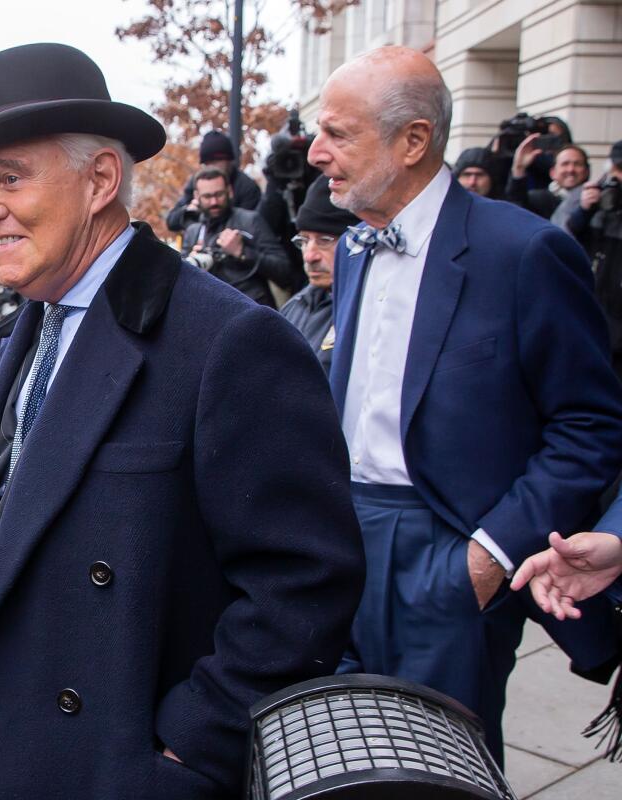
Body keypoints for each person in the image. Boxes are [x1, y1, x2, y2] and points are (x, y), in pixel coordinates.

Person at [0, 42, 365, 799]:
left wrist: (186, 752)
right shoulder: (29, 331)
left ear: (101, 180)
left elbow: (305, 584)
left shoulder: (228, 343)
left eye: (11, 178)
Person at [310, 45, 622, 764]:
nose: (318, 151)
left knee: (438, 769)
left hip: (448, 547)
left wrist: (487, 556)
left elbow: (589, 425)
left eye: (338, 133)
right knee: (342, 757)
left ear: (413, 140)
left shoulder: (526, 252)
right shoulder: (355, 248)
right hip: (342, 539)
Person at [279, 174, 361, 375]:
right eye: (304, 241)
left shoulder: (365, 311)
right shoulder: (294, 307)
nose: (309, 256)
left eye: (325, 240)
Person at [179, 166, 295, 307]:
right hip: (212, 313)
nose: (214, 202)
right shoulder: (194, 232)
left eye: (219, 194)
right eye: (207, 196)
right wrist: (192, 267)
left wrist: (242, 253)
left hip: (253, 310)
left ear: (230, 191)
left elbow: (285, 273)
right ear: (197, 197)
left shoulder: (250, 221)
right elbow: (181, 285)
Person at [566, 140, 622, 375]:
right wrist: (585, 208)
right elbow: (573, 236)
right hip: (602, 322)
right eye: (616, 171)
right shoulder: (603, 202)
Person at [165, 129, 261, 232]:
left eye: (217, 161)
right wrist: (188, 212)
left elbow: (250, 226)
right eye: (207, 163)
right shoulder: (198, 182)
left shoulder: (247, 187)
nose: (212, 167)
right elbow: (171, 221)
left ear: (228, 160)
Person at [505, 138, 590, 225]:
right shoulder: (538, 199)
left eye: (577, 164)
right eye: (565, 164)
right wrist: (519, 168)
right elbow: (516, 207)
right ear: (553, 173)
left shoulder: (595, 200)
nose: (571, 169)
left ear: (587, 171)